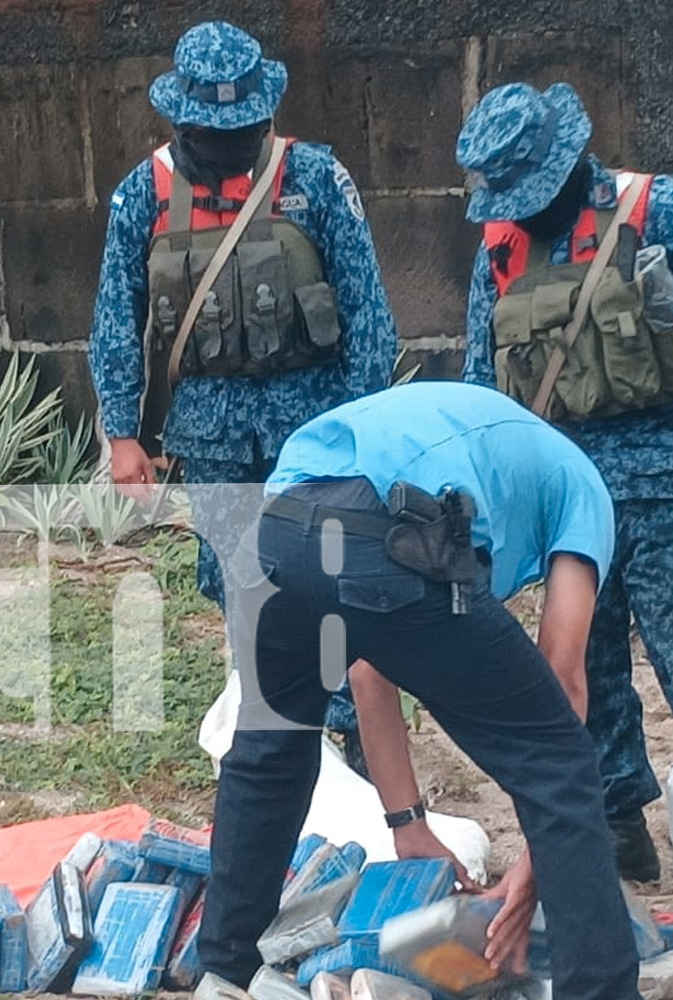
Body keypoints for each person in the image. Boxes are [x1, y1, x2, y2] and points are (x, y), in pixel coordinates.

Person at [200, 381, 641, 1000]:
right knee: (561, 761)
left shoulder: (488, 443)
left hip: (276, 531)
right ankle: (601, 990)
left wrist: (408, 824)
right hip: (388, 536)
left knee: (272, 750)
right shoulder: (584, 485)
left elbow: (368, 665)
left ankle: (224, 966)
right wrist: (534, 871)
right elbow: (563, 677)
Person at [457, 82, 673, 881]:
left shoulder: (660, 210)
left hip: (667, 478)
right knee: (588, 663)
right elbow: (477, 378)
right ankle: (619, 826)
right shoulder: (500, 245)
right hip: (564, 492)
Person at [88, 20, 397, 760]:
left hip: (314, 429)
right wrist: (124, 434)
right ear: (180, 117)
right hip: (212, 434)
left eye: (241, 127)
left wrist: (362, 435)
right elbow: (113, 316)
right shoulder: (144, 194)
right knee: (240, 586)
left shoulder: (317, 178)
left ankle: (349, 744)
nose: (227, 141)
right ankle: (269, 733)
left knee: (331, 583)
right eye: (210, 128)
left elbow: (368, 315)